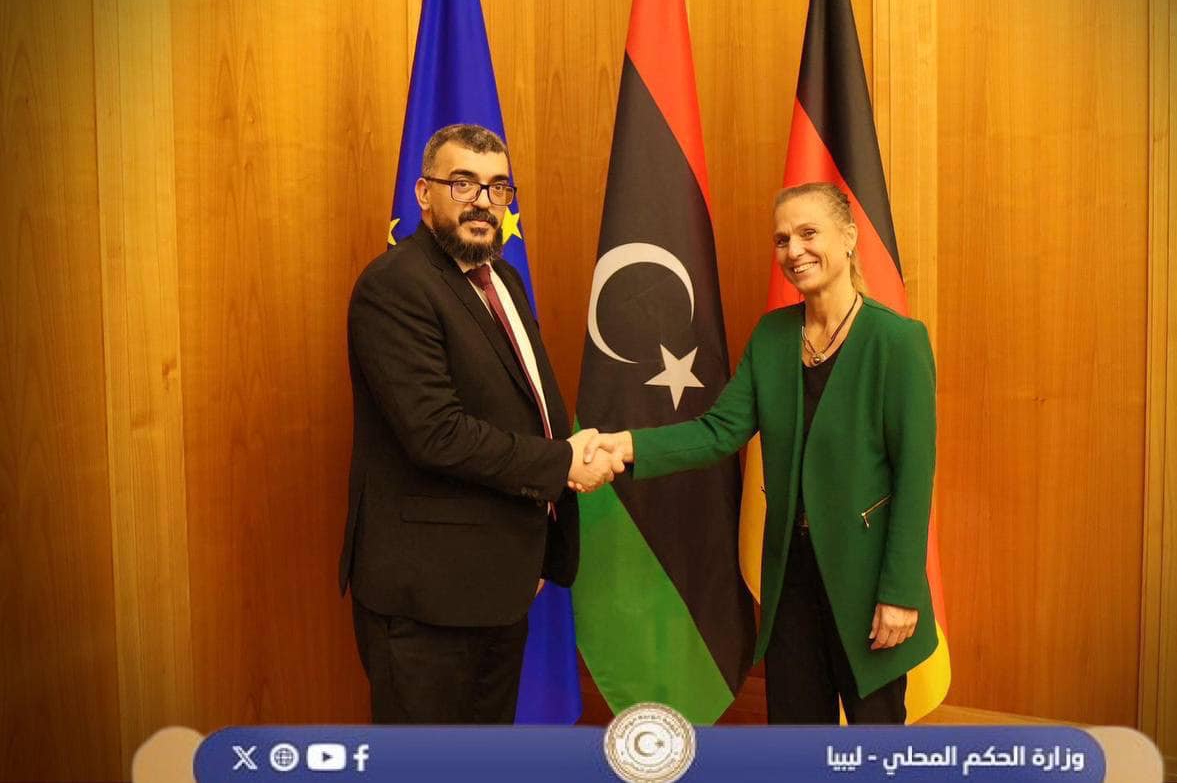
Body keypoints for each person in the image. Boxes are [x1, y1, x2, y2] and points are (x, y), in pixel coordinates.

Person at [584, 181, 938, 724]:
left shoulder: (897, 341)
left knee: (874, 739)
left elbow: (915, 475)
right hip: (790, 576)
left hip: (869, 581)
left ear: (848, 237)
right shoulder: (773, 335)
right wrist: (627, 446)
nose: (794, 250)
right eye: (782, 239)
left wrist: (901, 592)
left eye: (808, 233)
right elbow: (719, 430)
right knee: (795, 732)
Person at [339, 123, 621, 723]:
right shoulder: (395, 286)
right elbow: (436, 433)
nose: (483, 203)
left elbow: (526, 404)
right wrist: (563, 464)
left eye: (497, 188)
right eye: (463, 184)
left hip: (498, 581)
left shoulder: (502, 279)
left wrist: (542, 530)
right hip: (427, 598)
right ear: (424, 193)